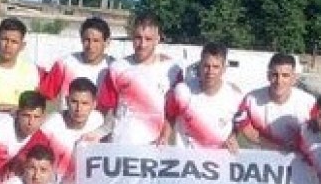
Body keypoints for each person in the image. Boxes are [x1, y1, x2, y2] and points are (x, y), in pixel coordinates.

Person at [89, 11, 183, 144]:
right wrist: (100, 133)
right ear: (132, 37)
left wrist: (165, 135)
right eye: (138, 37)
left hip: (154, 147)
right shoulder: (117, 68)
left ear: (157, 39)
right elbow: (106, 108)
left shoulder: (172, 70)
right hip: (120, 144)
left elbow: (172, 112)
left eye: (148, 39)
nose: (142, 44)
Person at [160, 42, 244, 149]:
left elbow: (239, 122)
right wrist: (164, 136)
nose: (210, 71)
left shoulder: (234, 96)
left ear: (223, 69)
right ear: (200, 66)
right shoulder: (182, 91)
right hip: (186, 158)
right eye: (206, 66)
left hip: (219, 158)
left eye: (216, 67)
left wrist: (233, 136)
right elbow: (170, 115)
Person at [230, 53, 316, 152]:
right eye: (275, 75)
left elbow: (318, 132)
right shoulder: (251, 99)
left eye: (285, 75)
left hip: (299, 157)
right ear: (268, 76)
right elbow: (246, 128)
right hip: (262, 156)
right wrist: (277, 148)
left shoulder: (309, 103)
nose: (279, 81)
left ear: (294, 78)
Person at [40, 17, 113, 110]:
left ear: (106, 42)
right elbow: (45, 92)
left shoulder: (114, 69)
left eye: (96, 40)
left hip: (101, 119)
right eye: (87, 40)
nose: (90, 46)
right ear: (81, 40)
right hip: (68, 119)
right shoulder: (64, 64)